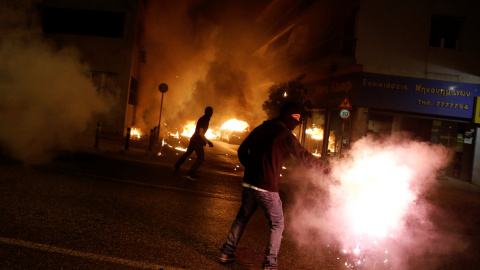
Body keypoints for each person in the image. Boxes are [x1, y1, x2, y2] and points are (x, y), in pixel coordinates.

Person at [219, 102, 329, 270]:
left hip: (249, 184)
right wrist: (326, 170)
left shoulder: (261, 129)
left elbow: (242, 150)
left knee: (242, 218)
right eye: (296, 118)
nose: (297, 122)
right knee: (277, 225)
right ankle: (270, 265)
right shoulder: (284, 135)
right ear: (287, 116)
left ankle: (226, 252)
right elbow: (304, 156)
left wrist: (250, 167)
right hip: (267, 189)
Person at [173, 106, 214, 180]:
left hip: (194, 139)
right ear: (210, 113)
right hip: (197, 141)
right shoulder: (205, 120)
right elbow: (201, 133)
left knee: (187, 153)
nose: (212, 114)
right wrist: (208, 141)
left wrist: (203, 141)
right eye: (211, 112)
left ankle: (176, 166)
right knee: (201, 158)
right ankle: (190, 174)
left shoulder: (203, 118)